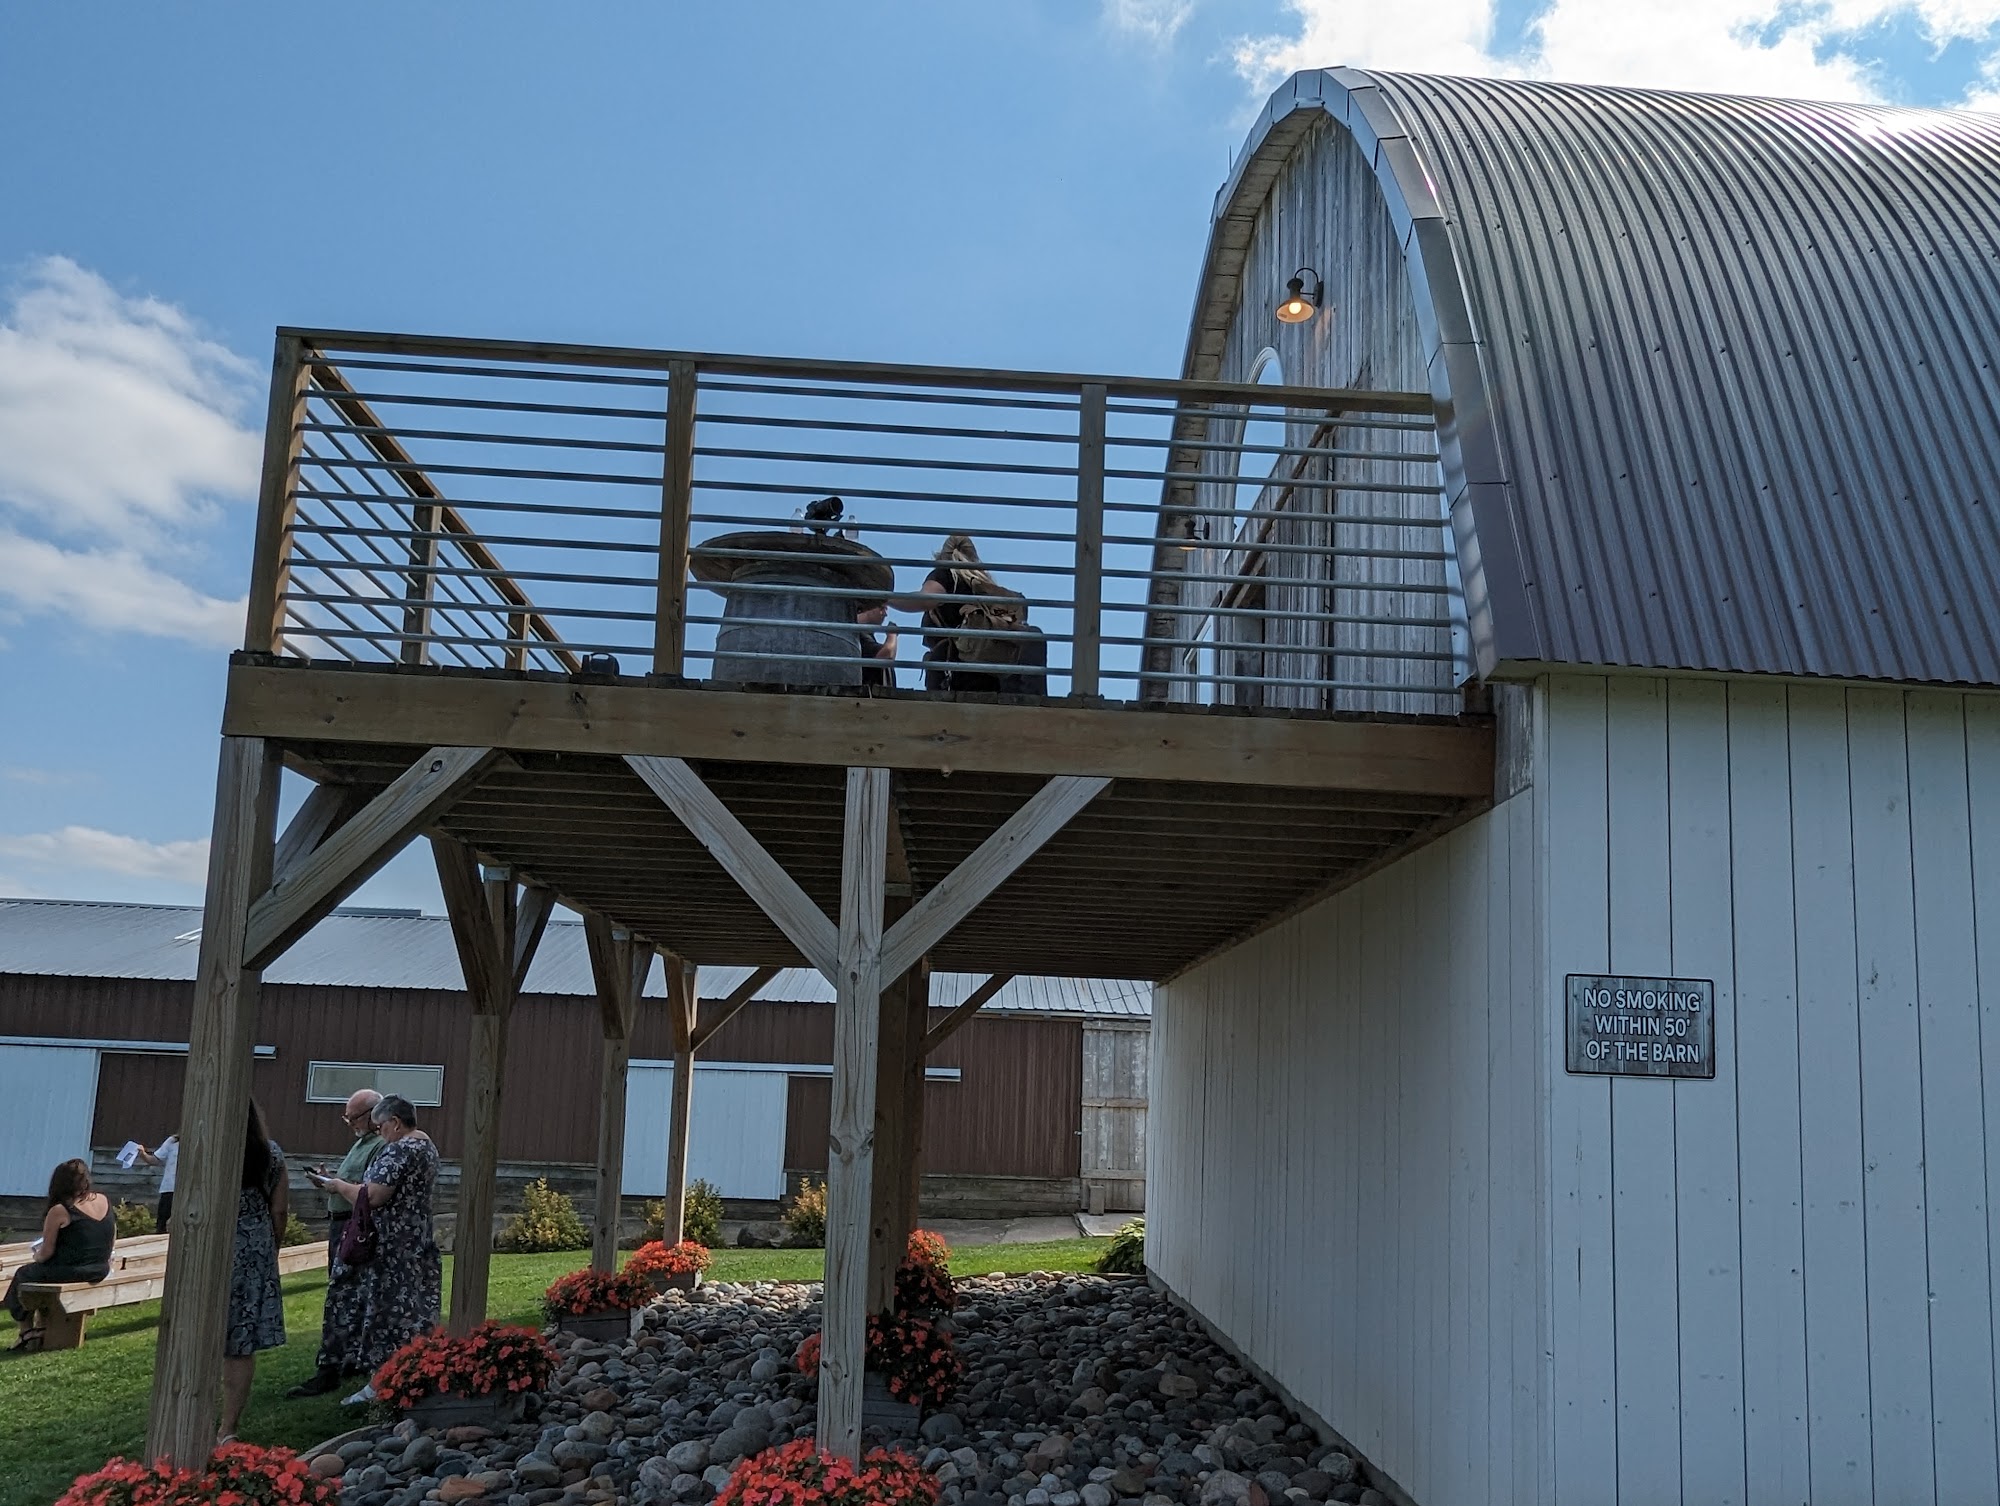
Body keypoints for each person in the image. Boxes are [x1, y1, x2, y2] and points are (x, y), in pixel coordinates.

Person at [307, 1094, 441, 1406]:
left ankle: (382, 1383)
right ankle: (412, 1373)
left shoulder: (400, 1149)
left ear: (395, 1122)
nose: (380, 1133)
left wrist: (337, 1186)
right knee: (414, 1313)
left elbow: (374, 1196)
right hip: (415, 1241)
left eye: (381, 1126)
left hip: (392, 1248)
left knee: (387, 1315)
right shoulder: (427, 1147)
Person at [286, 1089, 383, 1397]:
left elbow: (369, 1190)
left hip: (355, 1226)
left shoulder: (380, 1146)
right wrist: (329, 1180)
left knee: (343, 1295)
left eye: (353, 1118)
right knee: (347, 1293)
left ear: (372, 1116)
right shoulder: (361, 1143)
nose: (349, 1123)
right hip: (341, 1221)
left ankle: (331, 1366)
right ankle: (349, 1358)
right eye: (347, 1117)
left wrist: (337, 1186)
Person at [221, 1099, 288, 1444]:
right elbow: (279, 1210)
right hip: (253, 1248)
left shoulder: (210, 1151)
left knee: (203, 1335)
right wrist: (271, 1248)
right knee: (240, 1341)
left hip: (214, 1244)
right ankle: (227, 1427)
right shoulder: (271, 1154)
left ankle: (192, 1416)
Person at [903, 535, 1047, 694]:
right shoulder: (988, 586)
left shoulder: (946, 574)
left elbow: (925, 600)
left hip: (954, 673)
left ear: (942, 556)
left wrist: (887, 598)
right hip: (994, 678)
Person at [4, 1159, 114, 1352]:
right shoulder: (103, 1200)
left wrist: (36, 1257)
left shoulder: (60, 1210)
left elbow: (46, 1252)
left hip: (72, 1270)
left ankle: (26, 1331)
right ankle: (37, 1327)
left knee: (23, 1274)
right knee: (35, 1275)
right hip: (100, 1268)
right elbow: (112, 1235)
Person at [136, 1134, 179, 1231]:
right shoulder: (172, 1141)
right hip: (169, 1189)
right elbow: (155, 1160)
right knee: (162, 1225)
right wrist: (143, 1154)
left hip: (186, 1191)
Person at [856, 602, 898, 688]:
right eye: (882, 608)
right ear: (868, 608)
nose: (885, 614)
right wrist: (892, 634)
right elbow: (887, 653)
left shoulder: (862, 633)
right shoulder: (859, 633)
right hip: (870, 692)